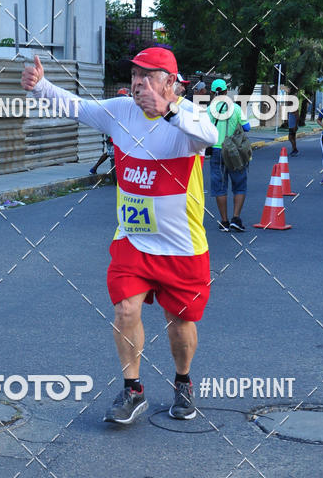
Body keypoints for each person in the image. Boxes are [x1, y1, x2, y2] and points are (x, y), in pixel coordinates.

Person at [21, 47, 218, 423]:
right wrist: (41, 86)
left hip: (182, 247)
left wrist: (168, 110)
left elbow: (209, 135)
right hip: (134, 240)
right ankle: (133, 389)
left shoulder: (188, 115)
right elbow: (77, 107)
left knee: (180, 323)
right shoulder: (121, 111)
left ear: (171, 83)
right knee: (125, 309)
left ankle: (183, 382)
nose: (139, 82)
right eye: (135, 75)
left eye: (149, 76)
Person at [207, 79, 251, 231]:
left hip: (216, 151)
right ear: (226, 91)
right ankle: (236, 218)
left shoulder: (209, 110)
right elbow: (247, 128)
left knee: (220, 186)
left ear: (213, 93)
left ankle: (224, 221)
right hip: (234, 151)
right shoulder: (236, 108)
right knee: (239, 184)